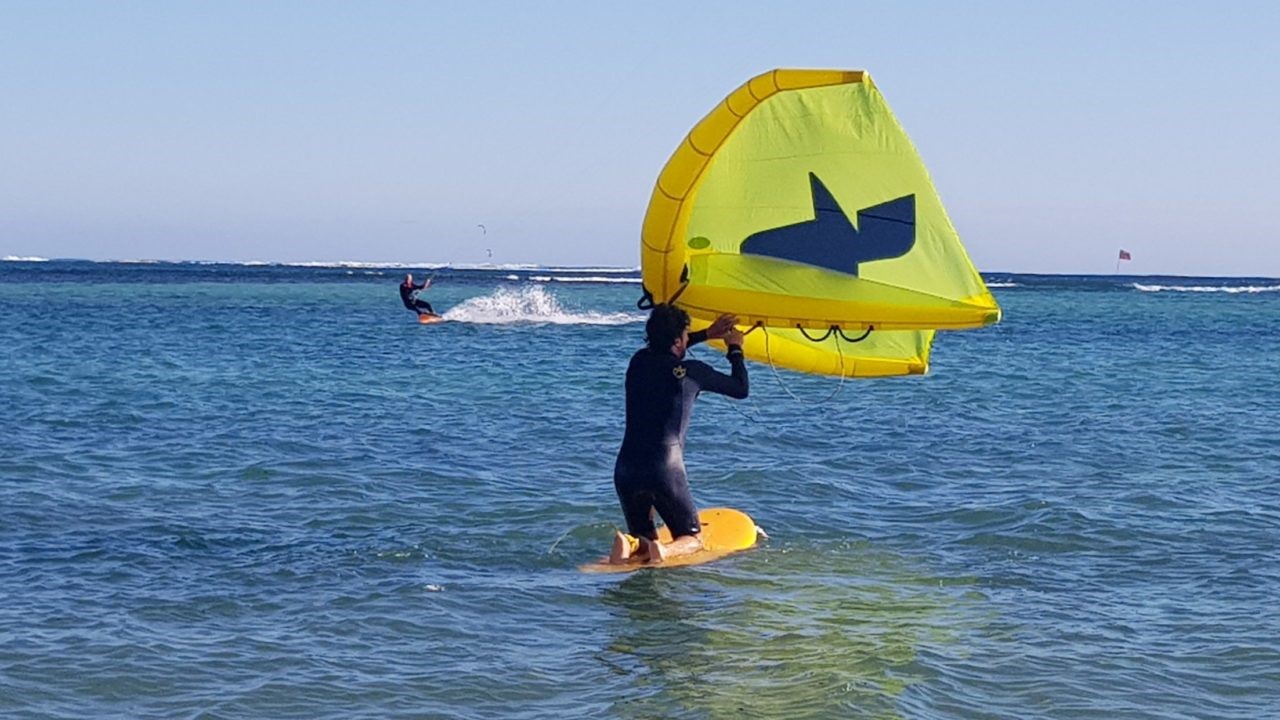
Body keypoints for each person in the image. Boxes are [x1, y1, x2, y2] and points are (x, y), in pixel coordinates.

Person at [609, 305, 748, 565]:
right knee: (691, 539)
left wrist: (707, 333)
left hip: (626, 468)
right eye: (685, 335)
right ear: (677, 341)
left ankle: (631, 543)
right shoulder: (693, 372)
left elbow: (666, 348)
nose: (688, 338)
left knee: (644, 537)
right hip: (664, 470)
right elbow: (740, 389)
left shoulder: (638, 361)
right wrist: (735, 348)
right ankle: (666, 550)